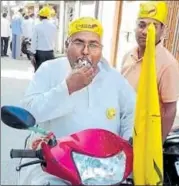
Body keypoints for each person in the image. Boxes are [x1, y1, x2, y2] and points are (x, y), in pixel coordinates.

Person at [19, 17, 135, 185]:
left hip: (104, 170)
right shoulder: (49, 70)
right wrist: (67, 87)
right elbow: (29, 112)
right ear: (67, 45)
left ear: (101, 50)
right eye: (79, 43)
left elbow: (131, 113)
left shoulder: (114, 78)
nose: (86, 51)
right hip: (56, 168)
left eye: (93, 45)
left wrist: (128, 142)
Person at [121, 1, 179, 142]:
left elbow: (169, 110)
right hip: (124, 131)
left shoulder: (168, 64)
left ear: (162, 30)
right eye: (141, 25)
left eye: (153, 26)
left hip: (146, 139)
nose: (145, 31)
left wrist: (158, 143)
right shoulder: (128, 55)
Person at [30, 6, 57, 71]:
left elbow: (34, 41)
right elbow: (54, 39)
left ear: (40, 16)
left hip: (40, 53)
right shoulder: (53, 27)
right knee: (49, 73)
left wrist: (32, 53)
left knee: (39, 73)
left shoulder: (37, 27)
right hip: (50, 53)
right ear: (48, 16)